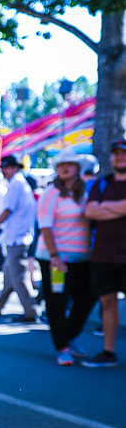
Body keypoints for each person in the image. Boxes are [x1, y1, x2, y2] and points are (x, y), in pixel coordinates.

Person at [34, 150, 97, 366]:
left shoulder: (84, 191)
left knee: (88, 296)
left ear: (78, 168)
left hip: (82, 258)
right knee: (57, 302)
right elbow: (45, 226)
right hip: (56, 259)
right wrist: (55, 256)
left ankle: (68, 338)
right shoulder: (52, 191)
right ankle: (63, 347)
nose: (65, 168)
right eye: (61, 165)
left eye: (69, 164)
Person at [83, 137, 126, 367]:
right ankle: (108, 352)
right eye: (116, 153)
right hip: (103, 255)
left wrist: (105, 208)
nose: (120, 157)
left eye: (123, 153)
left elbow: (98, 210)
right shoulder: (102, 184)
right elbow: (90, 211)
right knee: (107, 304)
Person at [0, 155, 39, 322]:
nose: (4, 171)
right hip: (18, 236)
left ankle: (31, 311)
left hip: (18, 237)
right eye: (3, 168)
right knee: (11, 274)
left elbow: (7, 210)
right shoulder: (19, 183)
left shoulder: (16, 184)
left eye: (7, 167)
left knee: (19, 276)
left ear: (15, 168)